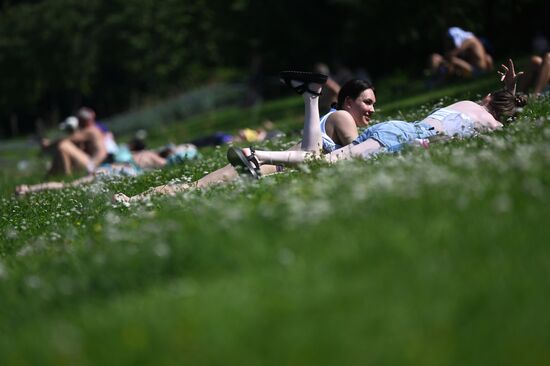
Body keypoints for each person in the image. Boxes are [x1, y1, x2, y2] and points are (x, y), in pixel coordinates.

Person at [227, 60, 526, 176]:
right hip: (401, 138)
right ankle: (259, 155)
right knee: (324, 162)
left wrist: (507, 90)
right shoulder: (493, 123)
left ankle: (259, 155)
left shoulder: (465, 103)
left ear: (488, 98)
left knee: (319, 158)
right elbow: (508, 116)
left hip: (397, 129)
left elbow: (497, 103)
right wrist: (511, 95)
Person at [113, 72, 376, 202]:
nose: (372, 110)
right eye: (367, 102)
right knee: (198, 189)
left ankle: (135, 199)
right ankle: (134, 200)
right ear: (349, 102)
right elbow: (356, 152)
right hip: (265, 166)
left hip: (268, 165)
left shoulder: (333, 118)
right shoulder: (342, 117)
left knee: (198, 188)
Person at [41, 107, 107, 176]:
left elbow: (68, 139)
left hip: (91, 164)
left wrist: (48, 143)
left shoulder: (91, 130)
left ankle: (66, 176)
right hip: (92, 163)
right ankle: (50, 175)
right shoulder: (92, 130)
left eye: (80, 120)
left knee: (63, 145)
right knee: (63, 148)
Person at [429, 26, 494, 81]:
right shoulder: (471, 38)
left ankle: (442, 80)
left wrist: (440, 59)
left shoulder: (470, 40)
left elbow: (454, 53)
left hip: (477, 71)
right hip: (479, 68)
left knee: (453, 60)